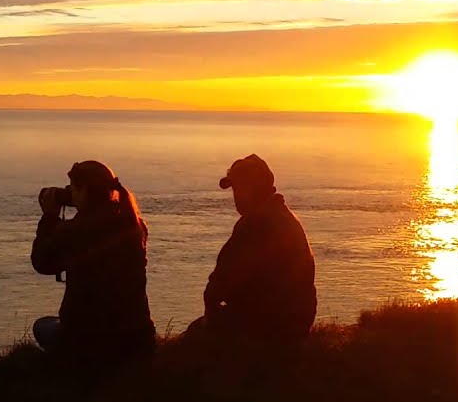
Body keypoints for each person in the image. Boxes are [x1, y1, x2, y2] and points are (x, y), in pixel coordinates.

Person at [187, 154, 316, 355]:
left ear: (255, 188)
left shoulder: (256, 223)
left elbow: (223, 280)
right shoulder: (283, 215)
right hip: (295, 321)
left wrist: (210, 314)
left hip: (269, 324)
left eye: (239, 188)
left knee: (192, 340)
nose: (235, 196)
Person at [30, 160, 156, 366]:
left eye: (73, 189)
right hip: (138, 336)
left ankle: (70, 363)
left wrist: (50, 218)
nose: (69, 194)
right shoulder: (135, 225)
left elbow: (41, 262)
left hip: (92, 341)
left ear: (85, 191)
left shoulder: (76, 232)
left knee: (42, 326)